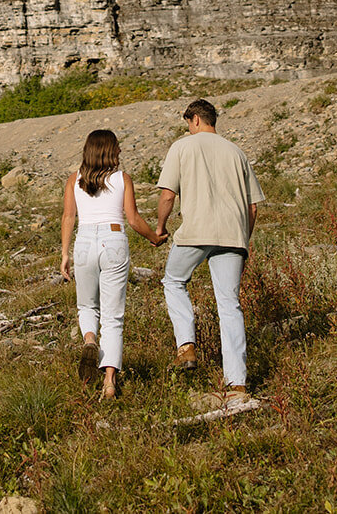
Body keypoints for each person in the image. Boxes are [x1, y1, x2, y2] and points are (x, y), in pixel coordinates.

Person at [156, 98, 266, 401]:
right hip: (233, 235)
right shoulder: (237, 152)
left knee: (173, 281)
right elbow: (253, 206)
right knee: (229, 304)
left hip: (195, 232)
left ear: (194, 120)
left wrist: (160, 227)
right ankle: (237, 383)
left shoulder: (183, 147)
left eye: (188, 124)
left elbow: (167, 195)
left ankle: (186, 345)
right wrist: (243, 241)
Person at [60, 128, 164, 399]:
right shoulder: (122, 179)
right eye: (117, 147)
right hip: (113, 239)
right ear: (109, 150)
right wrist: (155, 237)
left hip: (83, 242)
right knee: (113, 316)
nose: (120, 151)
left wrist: (64, 254)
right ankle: (109, 382)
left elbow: (68, 217)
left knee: (86, 305)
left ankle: (90, 339)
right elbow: (133, 219)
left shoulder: (74, 180)